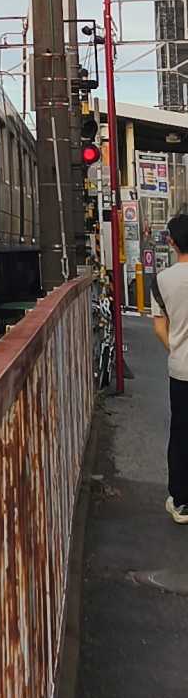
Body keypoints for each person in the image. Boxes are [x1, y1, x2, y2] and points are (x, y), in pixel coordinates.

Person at [153, 210, 188, 523]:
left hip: (182, 370)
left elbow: (159, 327)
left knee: (181, 434)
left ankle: (181, 502)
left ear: (173, 243)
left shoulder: (161, 280)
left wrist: (175, 349)